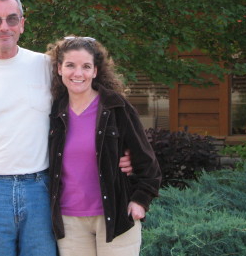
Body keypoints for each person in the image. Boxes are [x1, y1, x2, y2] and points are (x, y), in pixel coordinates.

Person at [0, 0, 133, 256]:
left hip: (42, 190)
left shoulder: (47, 67)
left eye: (11, 18)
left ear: (22, 23)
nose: (3, 27)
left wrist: (126, 152)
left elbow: (90, 110)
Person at [46, 36, 162, 256]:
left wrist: (140, 200)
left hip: (116, 217)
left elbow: (147, 162)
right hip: (69, 221)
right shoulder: (52, 112)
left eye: (86, 66)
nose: (78, 73)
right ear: (59, 68)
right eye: (70, 65)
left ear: (95, 71)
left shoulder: (116, 107)